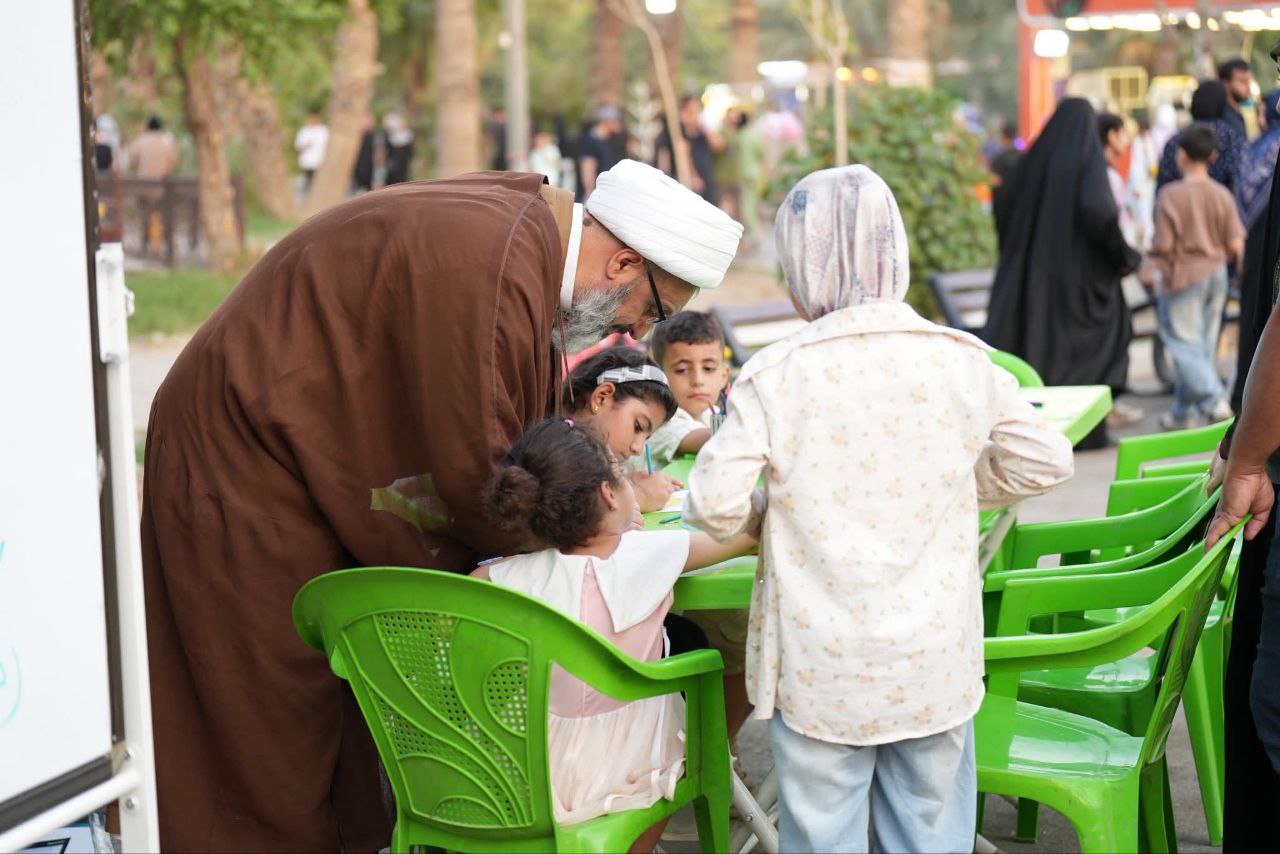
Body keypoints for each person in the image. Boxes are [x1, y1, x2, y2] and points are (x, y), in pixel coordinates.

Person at [141, 158, 743, 851]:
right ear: (623, 264)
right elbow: (478, 471)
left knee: (342, 726)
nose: (633, 333)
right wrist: (588, 537)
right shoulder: (497, 265)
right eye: (653, 311)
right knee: (269, 722)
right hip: (244, 466)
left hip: (294, 454)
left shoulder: (526, 244)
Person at [684, 164, 1074, 852]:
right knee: (932, 833)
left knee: (823, 835)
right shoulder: (960, 358)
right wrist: (951, 487)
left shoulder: (775, 374)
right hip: (935, 662)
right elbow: (1046, 460)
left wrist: (778, 511)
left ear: (801, 265)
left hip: (821, 667)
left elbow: (711, 508)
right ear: (894, 250)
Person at [475, 418, 756, 850]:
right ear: (609, 493)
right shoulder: (647, 554)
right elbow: (747, 534)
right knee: (669, 740)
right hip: (627, 770)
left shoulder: (497, 578)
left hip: (518, 771)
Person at [984, 98, 1141, 449]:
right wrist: (1124, 256)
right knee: (1098, 342)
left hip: (1033, 280)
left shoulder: (1032, 164)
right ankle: (1086, 429)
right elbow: (1099, 212)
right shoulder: (1087, 162)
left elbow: (1003, 202)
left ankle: (1038, 428)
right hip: (1079, 282)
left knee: (1042, 349)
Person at [1145, 123, 1245, 430]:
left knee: (1183, 344)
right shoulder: (1221, 195)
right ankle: (1182, 412)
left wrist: (1151, 256)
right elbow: (1235, 244)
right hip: (1216, 273)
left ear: (1182, 154)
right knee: (1202, 346)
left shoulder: (1170, 196)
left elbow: (1163, 245)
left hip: (1183, 275)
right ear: (1213, 156)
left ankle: (1214, 400)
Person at [562, 346, 683, 513]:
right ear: (602, 397)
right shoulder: (548, 445)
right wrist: (637, 496)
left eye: (647, 438)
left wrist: (628, 482)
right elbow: (565, 508)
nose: (638, 449)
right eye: (638, 426)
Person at [645, 311, 729, 469]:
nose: (697, 380)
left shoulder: (714, 415)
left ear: (724, 376)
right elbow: (716, 438)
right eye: (682, 370)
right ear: (658, 376)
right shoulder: (656, 423)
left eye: (708, 368)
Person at [1157, 80, 1247, 197]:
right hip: (1221, 204)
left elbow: (1163, 187)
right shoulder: (1231, 138)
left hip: (1181, 204)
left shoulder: (1176, 139)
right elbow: (1240, 181)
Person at [657, 95, 724, 203]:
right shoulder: (675, 131)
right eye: (691, 111)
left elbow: (719, 145)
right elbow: (681, 154)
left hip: (706, 180)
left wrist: (704, 127)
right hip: (686, 182)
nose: (695, 114)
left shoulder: (702, 131)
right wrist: (693, 176)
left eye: (698, 110)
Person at [1130, 111, 1162, 251]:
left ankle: (1147, 243)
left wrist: (1139, 185)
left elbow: (1143, 166)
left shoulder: (1144, 142)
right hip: (1143, 183)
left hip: (1143, 183)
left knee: (1144, 214)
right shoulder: (1145, 140)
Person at [577, 105, 624, 201]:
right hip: (596, 196)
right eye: (617, 120)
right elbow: (588, 169)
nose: (619, 124)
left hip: (606, 195)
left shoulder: (609, 140)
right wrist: (590, 194)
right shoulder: (591, 141)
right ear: (607, 121)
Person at [1219, 57, 1255, 137]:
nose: (1248, 87)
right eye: (1242, 81)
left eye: (1249, 81)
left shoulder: (1236, 113)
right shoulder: (1224, 118)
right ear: (1225, 83)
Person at [294, 112, 329, 190]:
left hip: (320, 161)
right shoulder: (304, 131)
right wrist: (306, 145)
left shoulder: (323, 130)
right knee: (308, 182)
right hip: (307, 162)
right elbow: (297, 147)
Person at [382, 113, 414, 185]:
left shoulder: (407, 136)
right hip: (392, 161)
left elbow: (410, 150)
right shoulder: (389, 136)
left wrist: (412, 158)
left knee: (403, 178)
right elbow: (387, 149)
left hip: (404, 161)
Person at [351, 113, 376, 193]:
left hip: (369, 170)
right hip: (356, 170)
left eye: (369, 121)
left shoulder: (375, 136)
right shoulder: (355, 136)